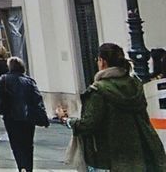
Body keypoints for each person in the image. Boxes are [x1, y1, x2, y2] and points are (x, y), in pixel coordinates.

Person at [56, 41, 166, 172]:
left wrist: (66, 120)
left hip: (108, 156)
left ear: (102, 62)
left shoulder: (98, 90)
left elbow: (88, 124)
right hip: (139, 151)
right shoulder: (135, 85)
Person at [0, 56, 47, 172]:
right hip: (28, 117)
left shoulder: (4, 79)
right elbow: (37, 98)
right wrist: (43, 116)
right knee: (28, 145)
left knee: (16, 144)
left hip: (11, 116)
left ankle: (21, 166)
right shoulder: (29, 81)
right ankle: (28, 168)